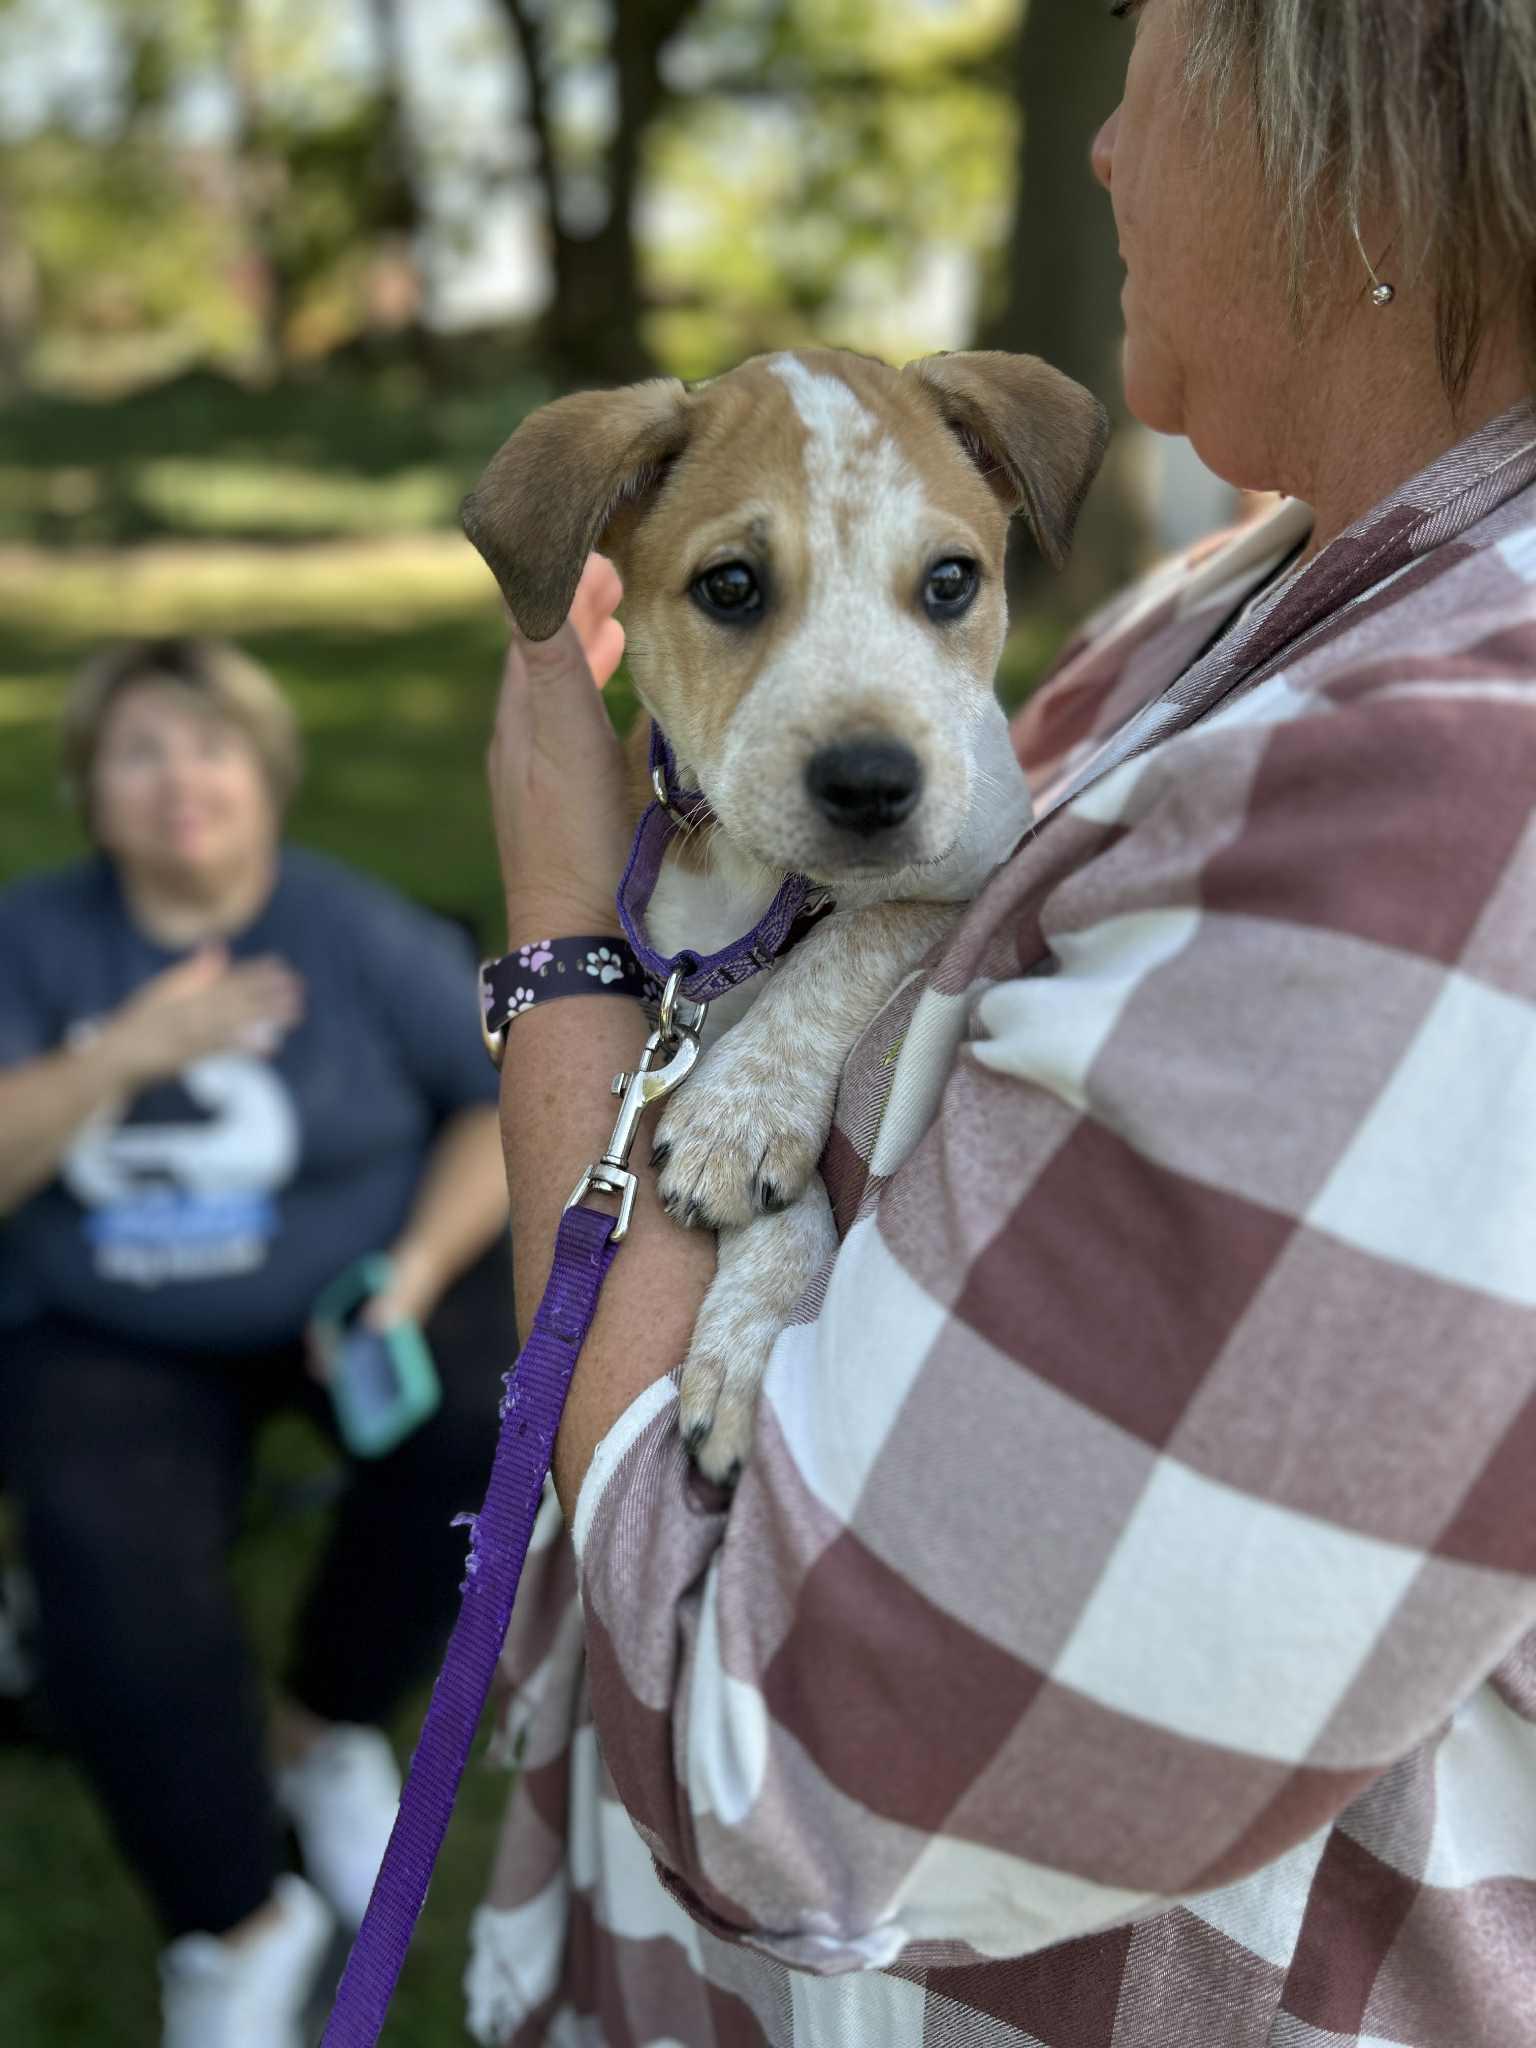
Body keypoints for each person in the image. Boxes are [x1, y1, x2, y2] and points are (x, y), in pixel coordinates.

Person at [462, 3, 1536, 2044]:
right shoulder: (1255, 595)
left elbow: (784, 1765)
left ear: (1368, 125)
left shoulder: (1462, 797)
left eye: (1155, 54)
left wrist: (555, 935)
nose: (1108, 147)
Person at [0, 637, 513, 2048]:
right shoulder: (36, 943)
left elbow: (498, 1102)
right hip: (112, 1321)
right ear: (90, 791)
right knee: (107, 1558)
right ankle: (240, 1919)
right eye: (140, 751)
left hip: (343, 1290)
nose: (181, 782)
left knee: (484, 1412)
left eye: (210, 744)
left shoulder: (350, 929)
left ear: (268, 775)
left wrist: (407, 1274)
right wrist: (124, 1054)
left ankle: (324, 1720)